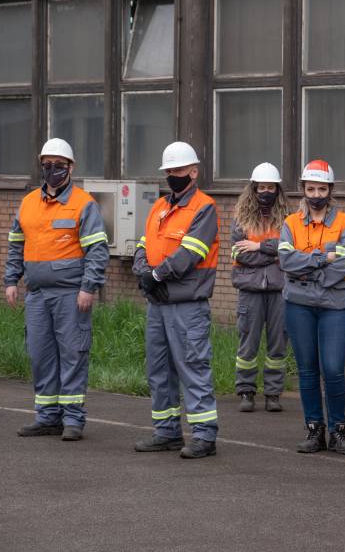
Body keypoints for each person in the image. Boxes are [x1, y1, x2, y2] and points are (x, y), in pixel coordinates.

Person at [5, 138, 109, 441]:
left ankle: (73, 419)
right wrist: (11, 280)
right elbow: (16, 245)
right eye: (47, 165)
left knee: (73, 354)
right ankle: (47, 417)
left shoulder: (84, 204)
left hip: (71, 294)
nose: (52, 170)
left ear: (71, 168)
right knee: (41, 355)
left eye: (59, 165)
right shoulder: (28, 203)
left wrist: (88, 287)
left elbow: (97, 250)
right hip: (37, 294)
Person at [133, 141, 220, 459]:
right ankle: (166, 431)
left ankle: (204, 435)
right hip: (158, 303)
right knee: (158, 369)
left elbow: (190, 254)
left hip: (187, 305)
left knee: (193, 367)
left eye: (179, 170)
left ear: (193, 172)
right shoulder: (159, 206)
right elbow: (143, 244)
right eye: (169, 170)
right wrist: (143, 272)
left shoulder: (204, 207)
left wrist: (155, 276)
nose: (173, 175)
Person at [278, 160, 345, 455]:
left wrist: (307, 272)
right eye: (310, 189)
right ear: (303, 189)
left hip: (334, 305)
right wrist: (322, 259)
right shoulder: (290, 223)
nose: (316, 195)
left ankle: (338, 431)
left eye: (321, 189)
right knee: (307, 370)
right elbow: (286, 261)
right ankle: (314, 430)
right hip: (299, 306)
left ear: (330, 190)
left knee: (333, 369)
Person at [231, 162, 289, 413]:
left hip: (279, 290)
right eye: (261, 187)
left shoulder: (288, 218)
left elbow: (289, 251)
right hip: (250, 290)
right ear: (253, 189)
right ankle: (246, 391)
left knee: (278, 344)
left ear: (277, 189)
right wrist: (272, 254)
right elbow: (240, 254)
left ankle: (273, 393)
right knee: (248, 344)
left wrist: (258, 247)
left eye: (270, 187)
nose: (266, 192)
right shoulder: (240, 218)